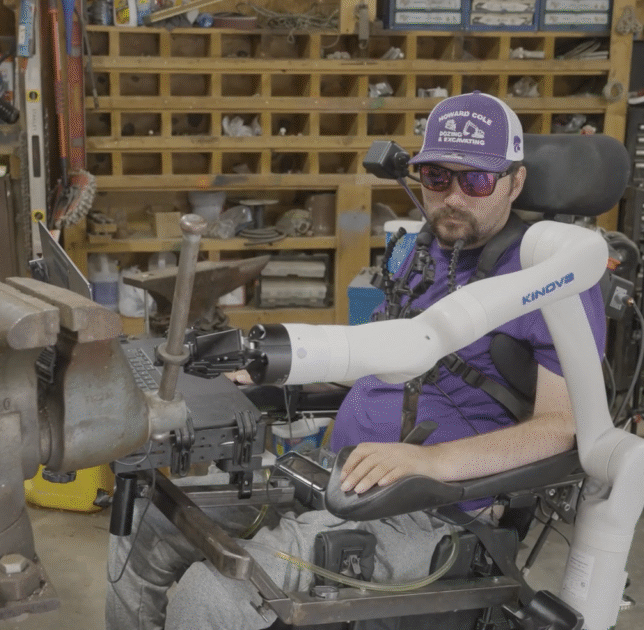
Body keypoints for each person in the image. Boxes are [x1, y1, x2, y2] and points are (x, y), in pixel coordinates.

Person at [106, 91, 608, 630]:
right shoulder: (420, 250)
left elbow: (564, 426)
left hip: (431, 513)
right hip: (333, 478)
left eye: (477, 181)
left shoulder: (553, 279)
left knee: (212, 596)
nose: (453, 197)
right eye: (437, 178)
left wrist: (432, 462)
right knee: (144, 521)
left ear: (515, 182)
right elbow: (376, 350)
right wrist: (271, 366)